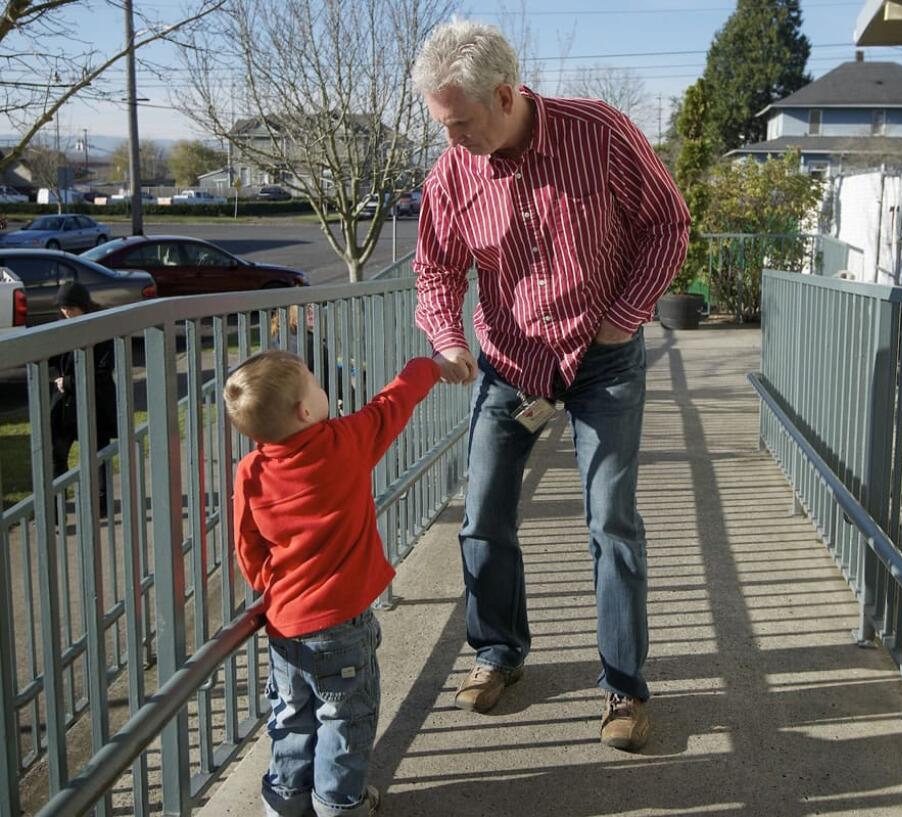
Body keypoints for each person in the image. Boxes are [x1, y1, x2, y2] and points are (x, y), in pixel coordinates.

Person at [411, 20, 690, 752]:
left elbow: (668, 224)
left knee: (611, 523)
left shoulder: (599, 134)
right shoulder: (452, 174)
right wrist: (446, 338)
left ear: (505, 95)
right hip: (511, 362)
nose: (452, 140)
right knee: (482, 516)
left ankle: (624, 688)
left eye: (460, 123)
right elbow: (436, 269)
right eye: (442, 125)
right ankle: (497, 652)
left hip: (603, 357)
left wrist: (622, 319)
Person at [224, 350, 441, 817]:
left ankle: (285, 802)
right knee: (345, 719)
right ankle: (339, 805)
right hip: (340, 625)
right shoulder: (344, 443)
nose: (324, 391)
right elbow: (393, 403)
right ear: (306, 410)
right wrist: (432, 365)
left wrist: (274, 586)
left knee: (291, 718)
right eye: (317, 385)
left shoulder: (251, 472)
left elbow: (248, 547)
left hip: (285, 626)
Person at [49, 283, 118, 502]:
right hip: (64, 405)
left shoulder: (100, 328)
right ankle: (57, 506)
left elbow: (102, 371)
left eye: (71, 307)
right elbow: (49, 361)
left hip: (93, 404)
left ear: (83, 306)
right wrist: (57, 379)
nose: (66, 312)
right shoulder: (59, 328)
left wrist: (66, 381)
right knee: (56, 455)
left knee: (98, 455)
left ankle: (101, 500)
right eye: (63, 308)